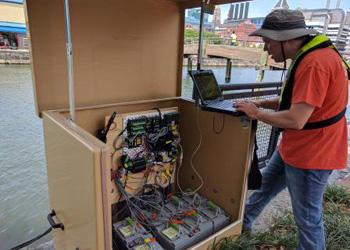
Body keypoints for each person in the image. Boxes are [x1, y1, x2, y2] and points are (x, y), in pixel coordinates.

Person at [235, 9, 348, 250]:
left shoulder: (315, 64)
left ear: (285, 39)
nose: (266, 49)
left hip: (312, 155)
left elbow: (296, 119)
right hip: (295, 148)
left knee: (307, 219)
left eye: (267, 42)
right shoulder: (310, 56)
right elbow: (296, 100)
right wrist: (261, 103)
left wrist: (256, 114)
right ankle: (241, 225)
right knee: (264, 187)